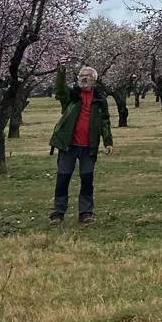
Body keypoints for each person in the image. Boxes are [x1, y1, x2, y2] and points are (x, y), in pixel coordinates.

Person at [49, 65, 114, 224]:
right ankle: (58, 212)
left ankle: (86, 212)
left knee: (87, 179)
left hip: (88, 146)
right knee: (63, 178)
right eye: (81, 76)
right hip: (68, 145)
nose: (83, 78)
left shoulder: (99, 100)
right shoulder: (71, 96)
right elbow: (60, 88)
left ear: (94, 80)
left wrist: (108, 141)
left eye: (87, 76)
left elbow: (105, 121)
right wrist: (61, 71)